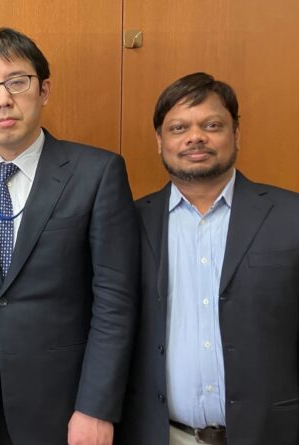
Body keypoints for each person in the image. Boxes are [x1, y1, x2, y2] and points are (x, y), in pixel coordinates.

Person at [0, 27, 139, 445]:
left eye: (17, 82)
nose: (2, 99)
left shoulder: (97, 173)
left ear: (44, 90)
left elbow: (116, 302)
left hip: (64, 409)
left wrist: (96, 407)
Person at [116, 72, 299, 445]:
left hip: (271, 433)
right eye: (179, 128)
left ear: (236, 133)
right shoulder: (128, 223)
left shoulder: (290, 215)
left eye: (211, 125)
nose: (195, 137)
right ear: (160, 141)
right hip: (164, 435)